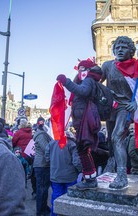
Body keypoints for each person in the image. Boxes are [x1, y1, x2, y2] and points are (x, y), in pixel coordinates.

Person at [100, 36, 138, 189]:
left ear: (131, 51)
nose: (120, 50)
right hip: (111, 107)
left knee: (117, 137)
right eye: (117, 48)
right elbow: (96, 84)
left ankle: (122, 175)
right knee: (111, 138)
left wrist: (135, 102)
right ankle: (111, 161)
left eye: (124, 47)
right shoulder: (108, 66)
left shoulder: (136, 67)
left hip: (125, 107)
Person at [56, 59, 102, 189]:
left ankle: (90, 180)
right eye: (79, 68)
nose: (80, 70)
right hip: (82, 119)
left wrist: (66, 82)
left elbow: (82, 91)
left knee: (82, 149)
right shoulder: (88, 80)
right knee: (83, 149)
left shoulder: (88, 80)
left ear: (88, 70)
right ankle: (89, 178)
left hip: (84, 119)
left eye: (83, 68)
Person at [45, 131, 82, 216]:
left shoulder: (52, 143)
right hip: (70, 176)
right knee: (68, 199)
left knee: (56, 198)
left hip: (55, 175)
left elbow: (47, 158)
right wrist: (81, 170)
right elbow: (76, 162)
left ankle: (54, 214)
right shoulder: (71, 144)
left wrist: (53, 164)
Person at [33, 116, 53, 216]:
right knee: (42, 189)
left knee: (43, 188)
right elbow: (46, 148)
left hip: (43, 165)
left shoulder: (42, 134)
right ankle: (41, 211)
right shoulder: (41, 135)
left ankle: (43, 207)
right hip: (42, 165)